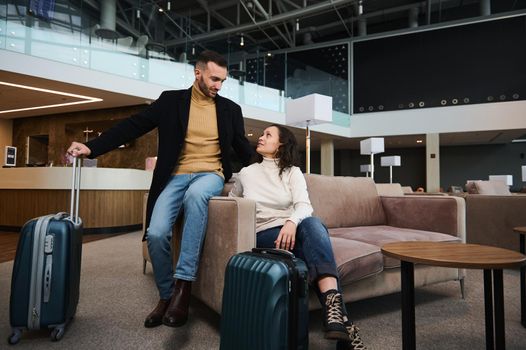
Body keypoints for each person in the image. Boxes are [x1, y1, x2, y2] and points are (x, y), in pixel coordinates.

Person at [67, 50, 254, 329]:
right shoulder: (171, 101)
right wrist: (93, 146)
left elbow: (243, 148)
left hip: (210, 174)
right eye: (214, 79)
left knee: (196, 196)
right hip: (174, 176)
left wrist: (276, 167)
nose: (218, 85)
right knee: (154, 234)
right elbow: (134, 125)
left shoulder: (230, 110)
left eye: (223, 81)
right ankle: (166, 296)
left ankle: (183, 287)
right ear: (198, 73)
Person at [229, 124, 366, 349]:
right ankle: (345, 328)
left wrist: (292, 222)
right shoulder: (247, 173)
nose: (260, 138)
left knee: (312, 224)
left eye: (267, 135)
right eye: (262, 134)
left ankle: (336, 318)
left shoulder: (292, 172)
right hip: (266, 234)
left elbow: (304, 206)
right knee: (316, 249)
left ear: (281, 144)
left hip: (294, 229)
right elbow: (233, 200)